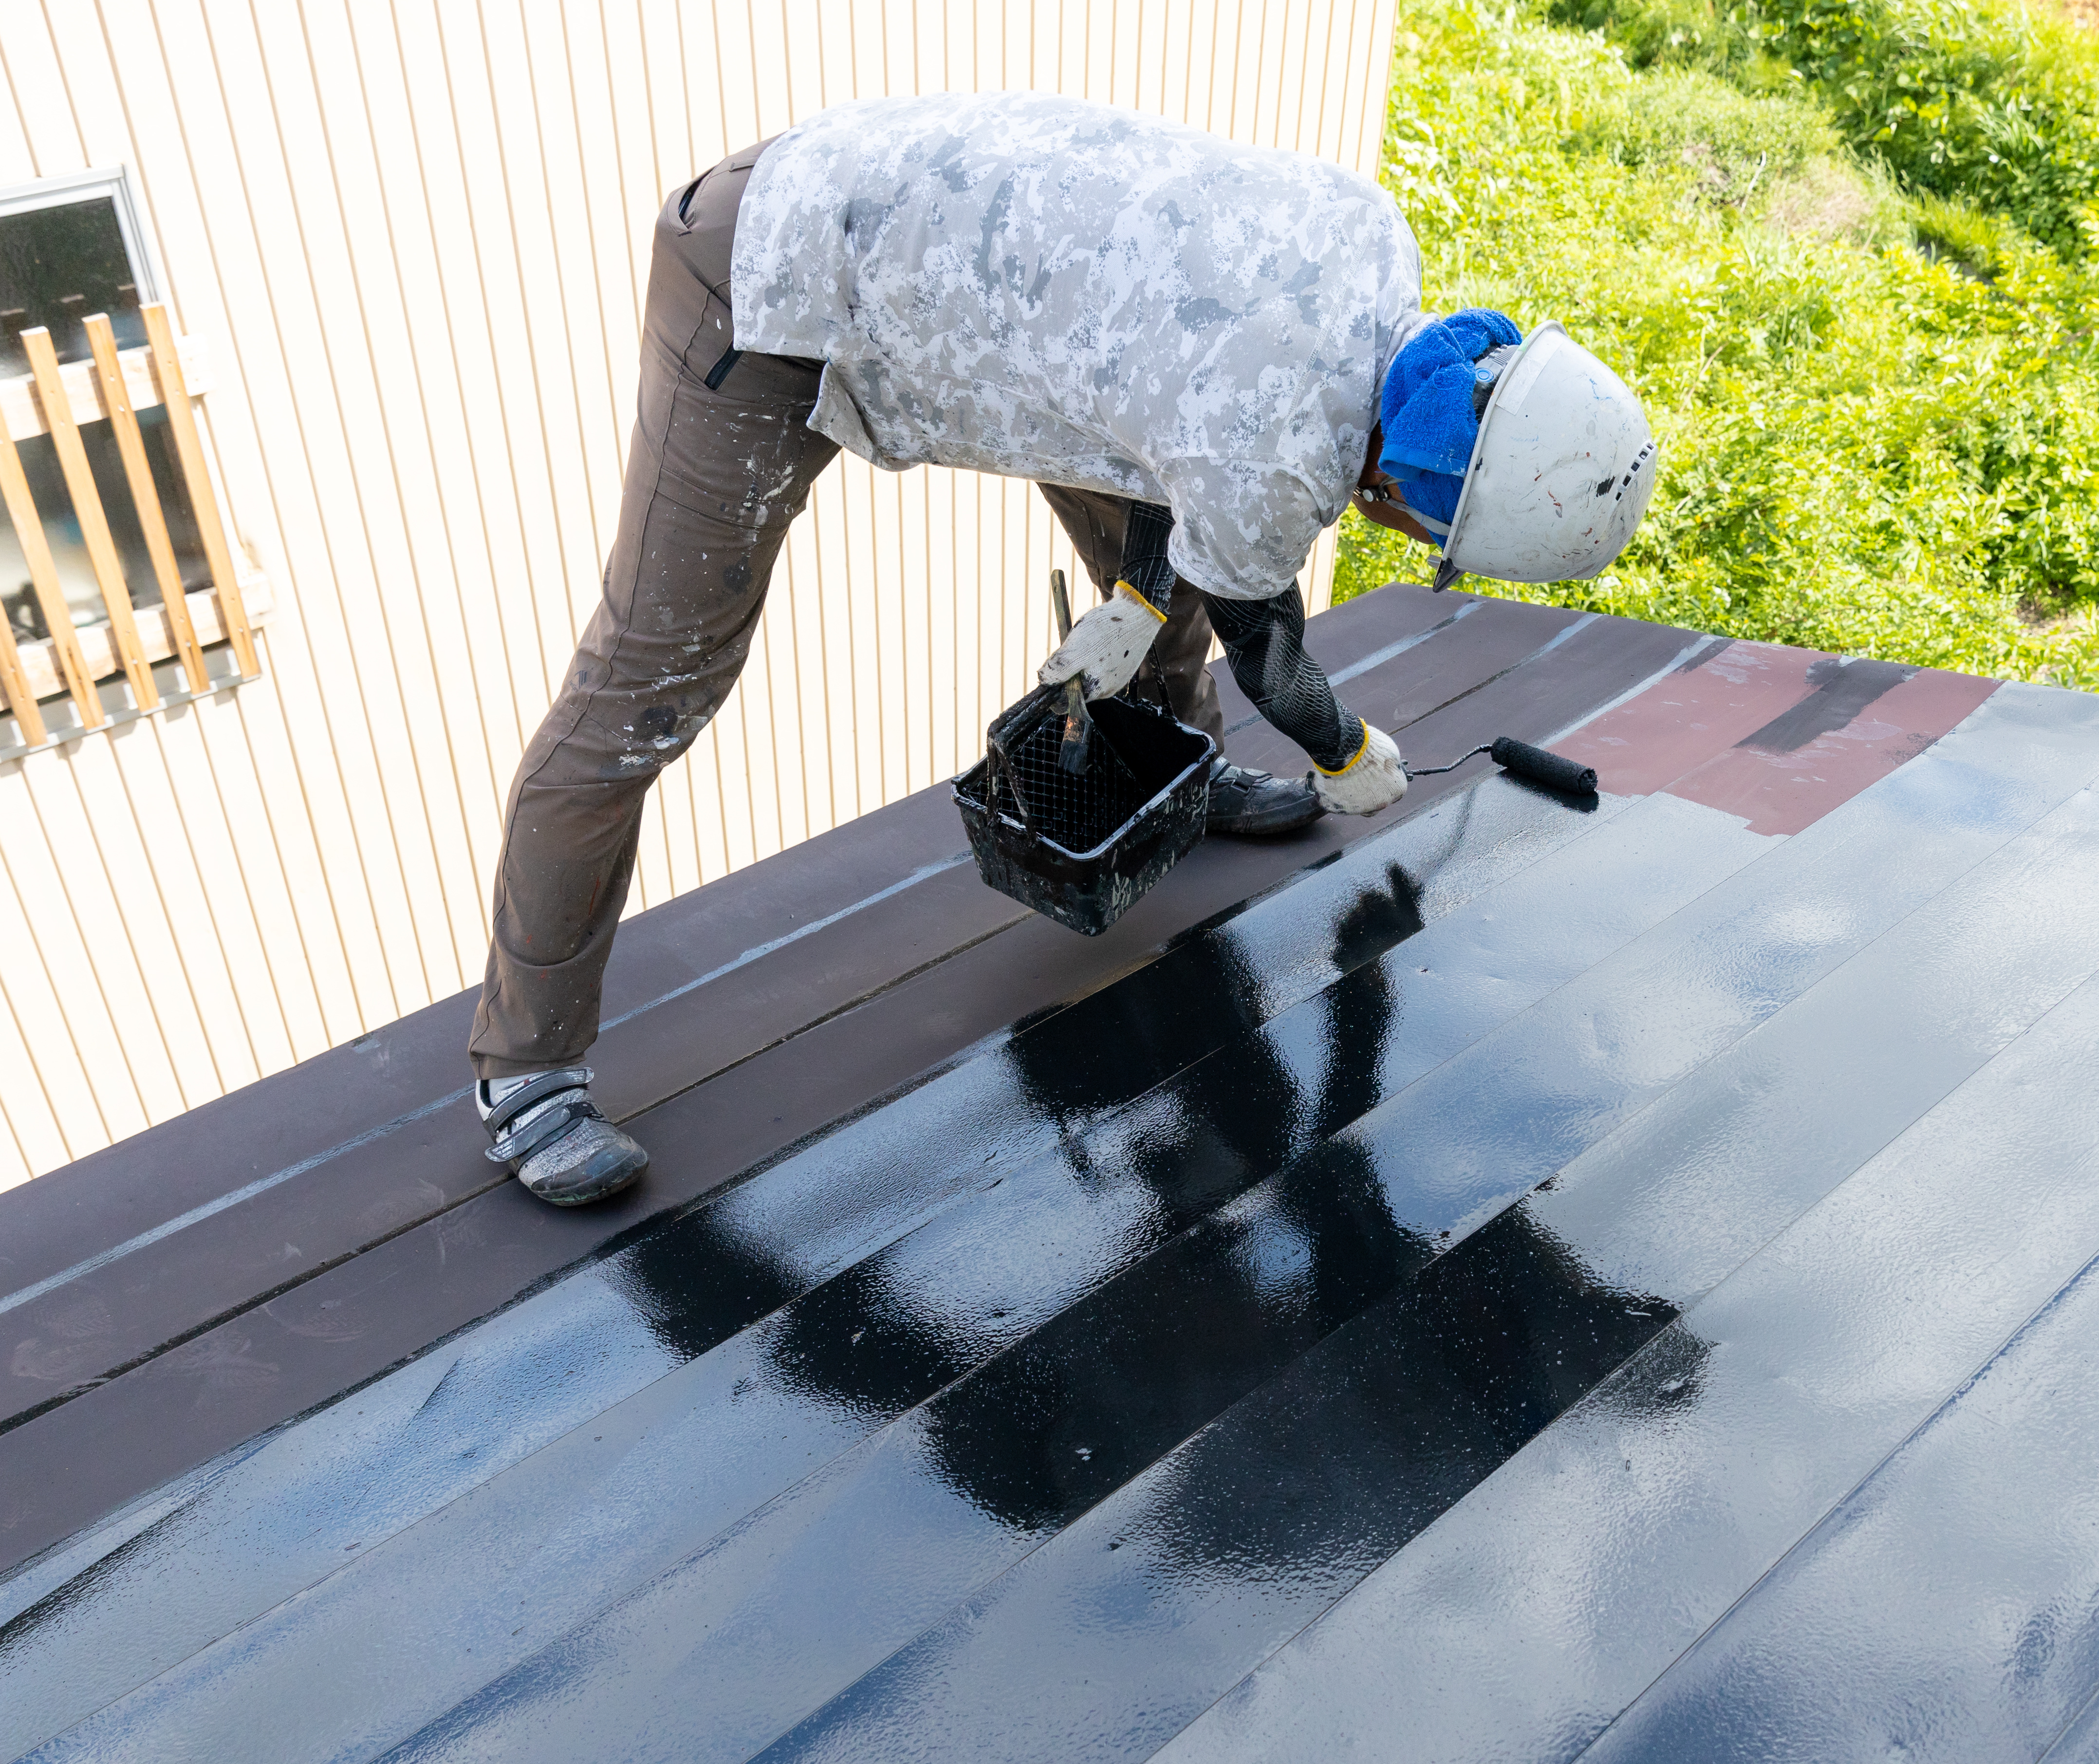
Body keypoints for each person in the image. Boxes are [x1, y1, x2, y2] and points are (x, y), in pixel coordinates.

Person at [469, 92, 1659, 1205]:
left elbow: (1176, 423)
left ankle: (1174, 787)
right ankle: (525, 1071)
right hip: (781, 274)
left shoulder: (1369, 236)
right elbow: (1269, 639)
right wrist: (1345, 752)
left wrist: (1142, 601)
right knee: (650, 685)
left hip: (1019, 299)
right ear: (1409, 495)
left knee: (1173, 568)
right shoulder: (1270, 450)